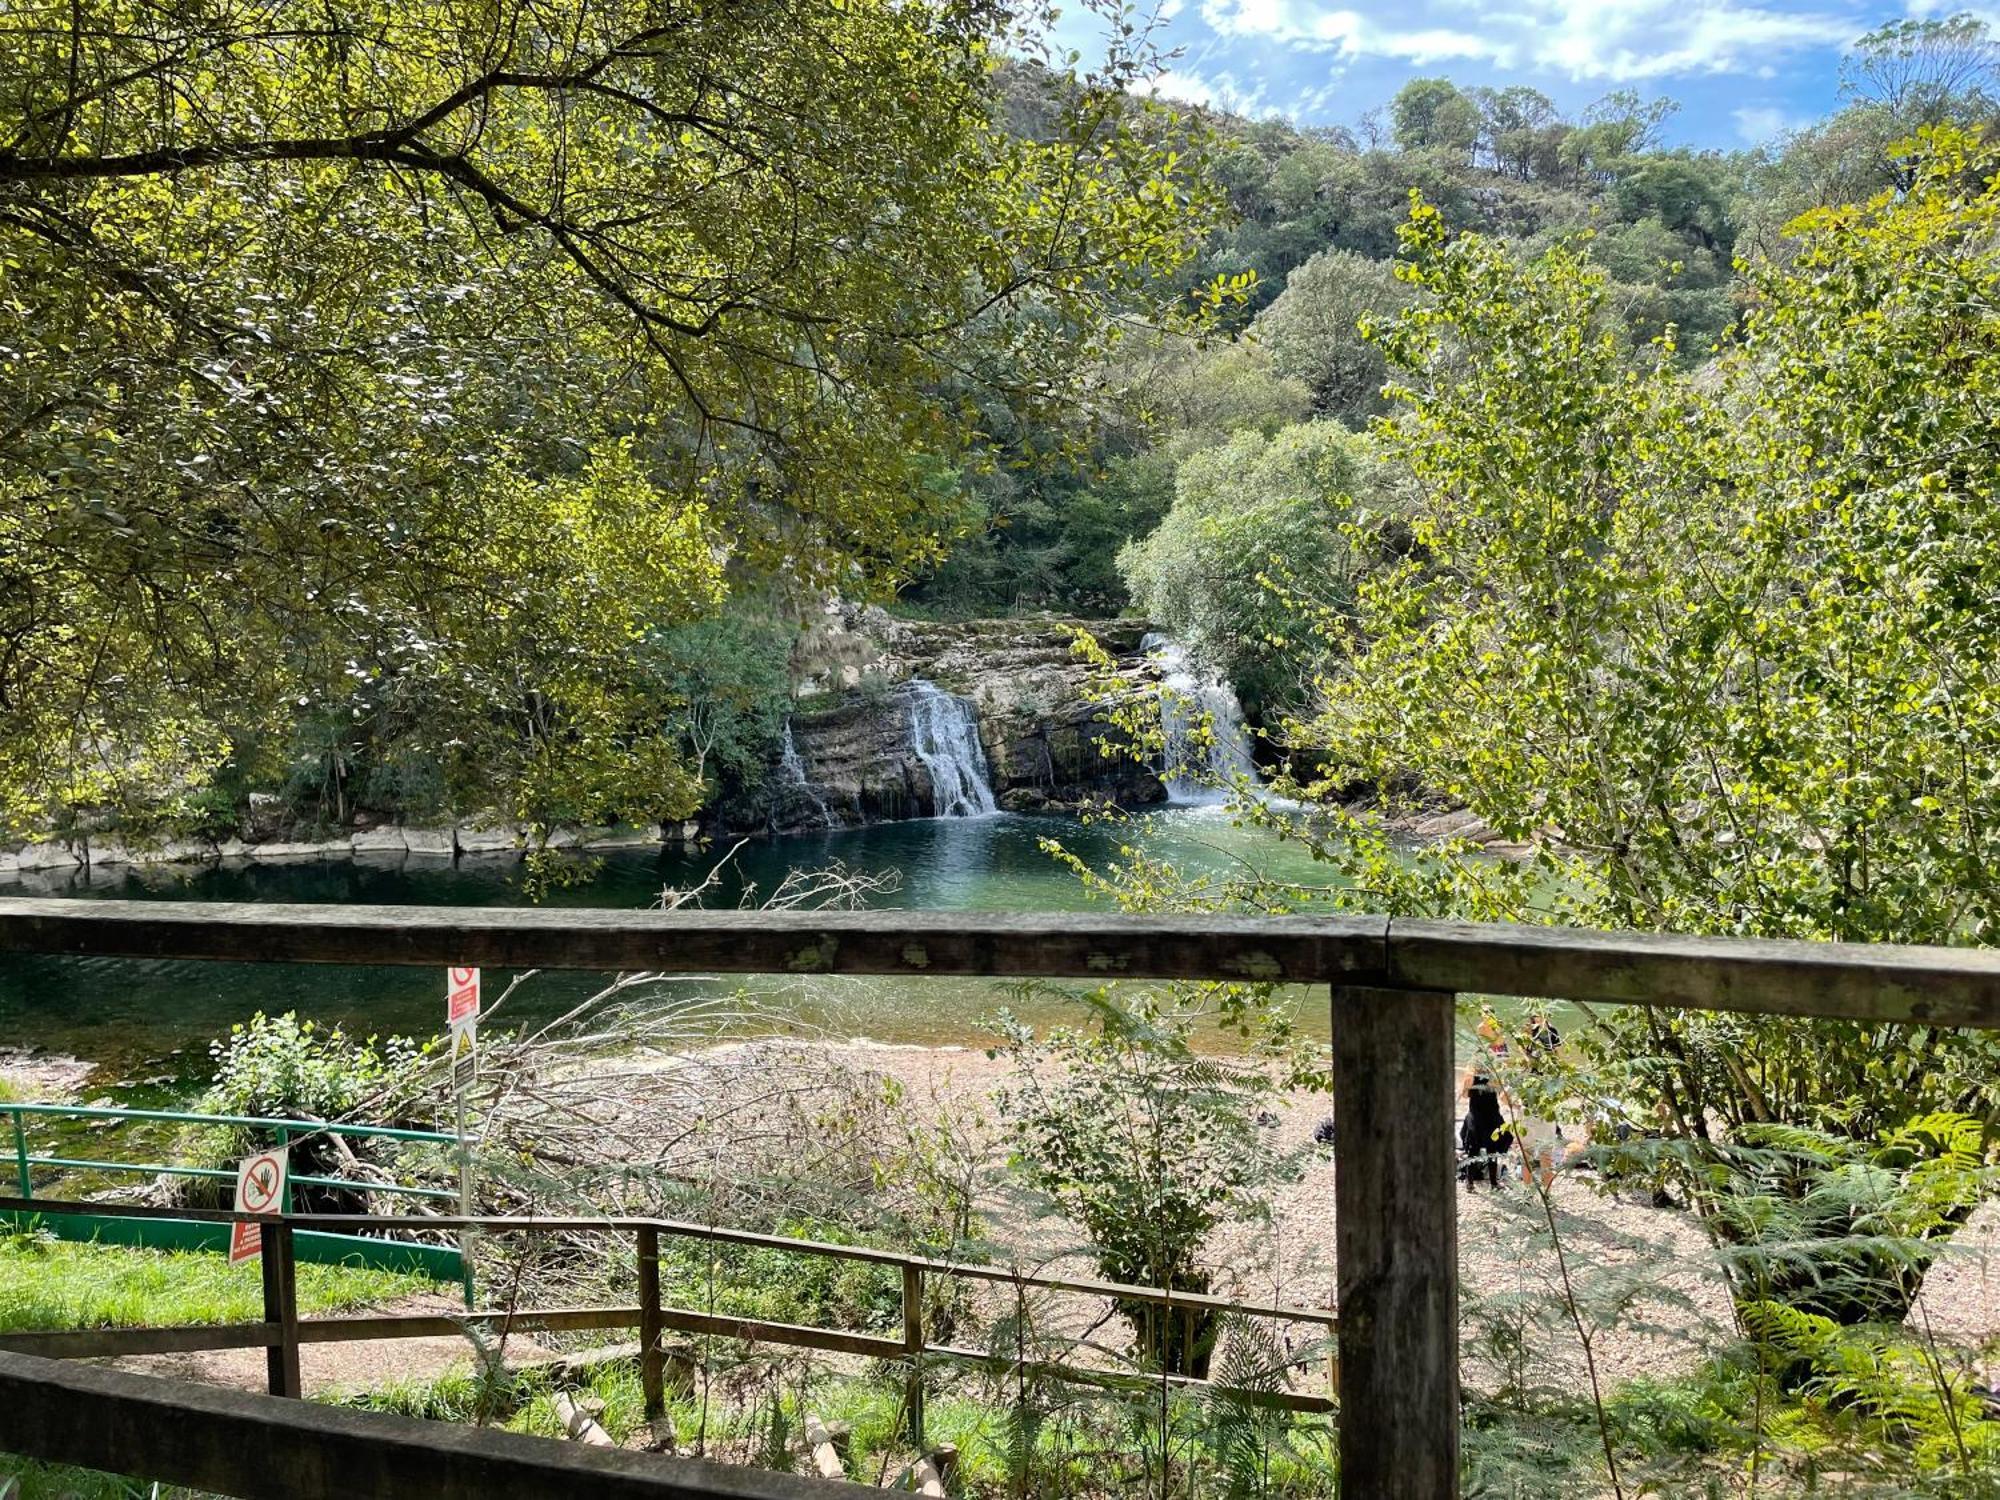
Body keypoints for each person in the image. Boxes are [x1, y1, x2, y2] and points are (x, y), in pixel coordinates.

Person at [1459, 1015, 1513, 1191]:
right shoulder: (1489, 1053)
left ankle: (1473, 1183)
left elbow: (1467, 1089)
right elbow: (1498, 1082)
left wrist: (1472, 1084)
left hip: (1480, 1108)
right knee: (1490, 1147)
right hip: (1485, 1107)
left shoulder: (1483, 1053)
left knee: (1476, 1148)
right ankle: (1489, 1183)